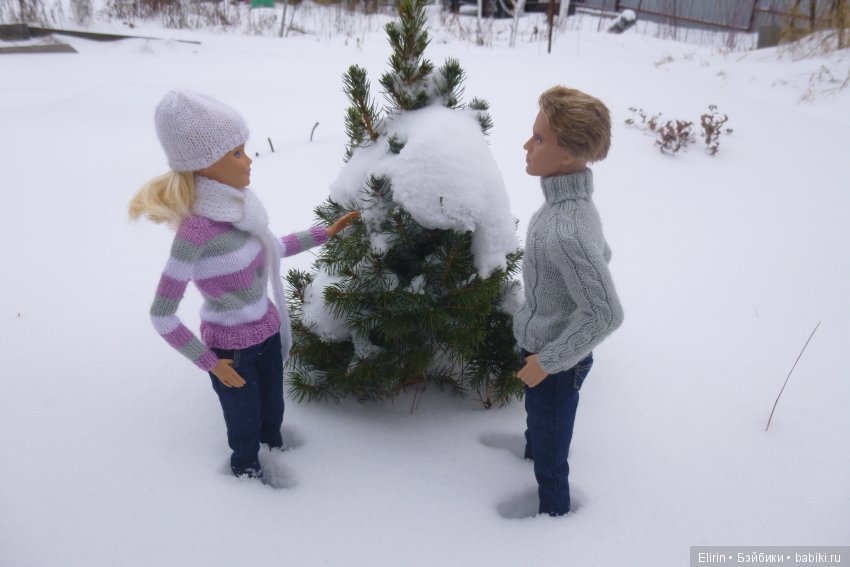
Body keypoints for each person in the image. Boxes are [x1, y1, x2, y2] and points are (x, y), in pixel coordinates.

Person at [129, 90, 357, 480]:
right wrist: (210, 363)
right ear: (204, 166)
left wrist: (325, 233)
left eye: (243, 149)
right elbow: (162, 315)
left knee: (274, 412)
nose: (248, 160)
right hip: (230, 353)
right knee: (244, 426)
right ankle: (247, 479)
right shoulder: (196, 232)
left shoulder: (240, 210)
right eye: (236, 153)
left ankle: (279, 451)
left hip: (267, 337)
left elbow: (270, 248)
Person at [513, 86, 624, 516]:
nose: (527, 146)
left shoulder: (567, 227)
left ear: (567, 156)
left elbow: (605, 313)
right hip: (544, 349)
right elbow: (604, 255)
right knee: (538, 427)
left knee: (551, 448)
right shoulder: (570, 208)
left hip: (556, 362)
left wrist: (548, 360)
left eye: (539, 140)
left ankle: (554, 515)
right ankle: (530, 456)